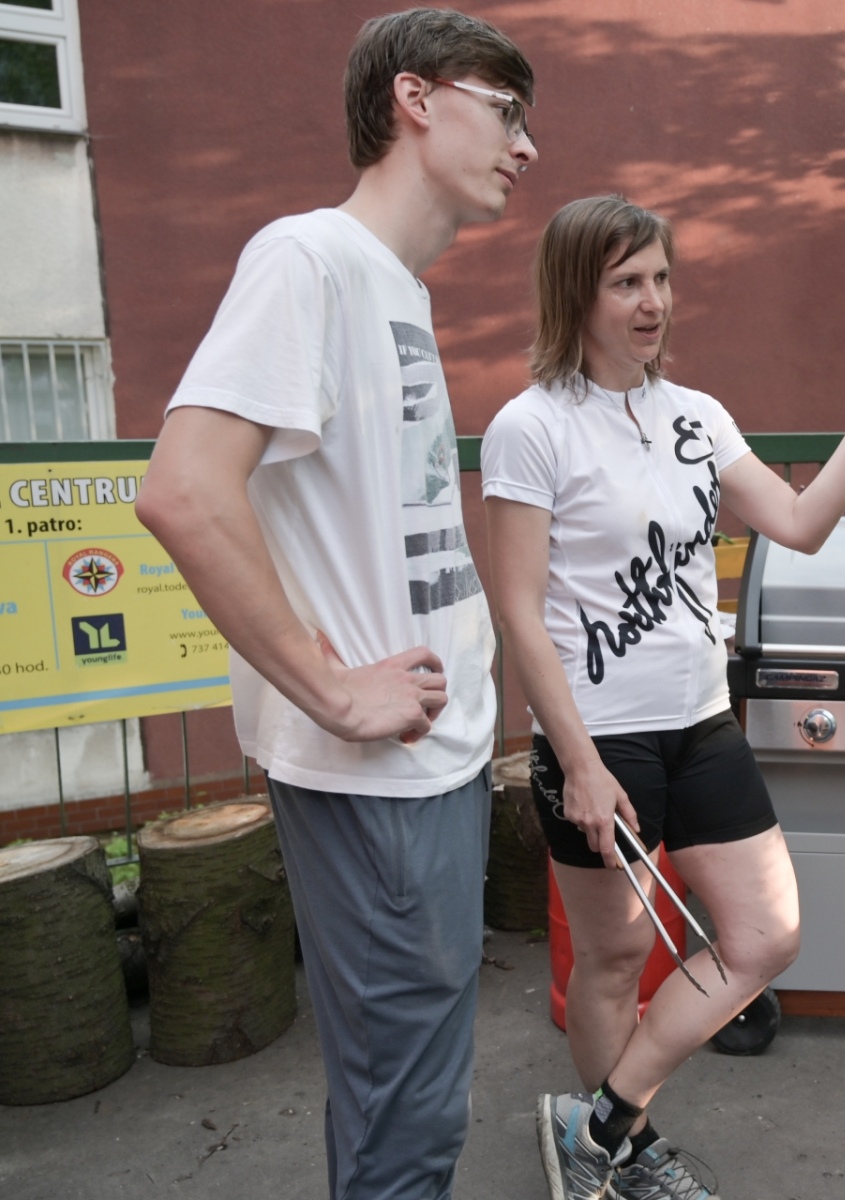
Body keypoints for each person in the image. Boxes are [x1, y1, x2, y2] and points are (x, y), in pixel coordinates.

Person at [481, 194, 845, 1200]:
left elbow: (799, 524)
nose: (652, 302)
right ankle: (630, 1162)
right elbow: (519, 613)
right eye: (626, 282)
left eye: (661, 278)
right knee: (615, 957)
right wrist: (577, 762)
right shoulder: (530, 428)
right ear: (575, 292)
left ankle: (598, 1126)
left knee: (765, 935)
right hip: (599, 735)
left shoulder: (697, 416)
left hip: (701, 720)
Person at [134, 10, 537, 1198]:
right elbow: (183, 492)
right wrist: (330, 691)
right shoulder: (308, 258)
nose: (525, 145)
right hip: (379, 784)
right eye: (507, 110)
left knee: (412, 1105)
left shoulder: (391, 286)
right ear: (415, 99)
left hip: (428, 769)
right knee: (404, 1125)